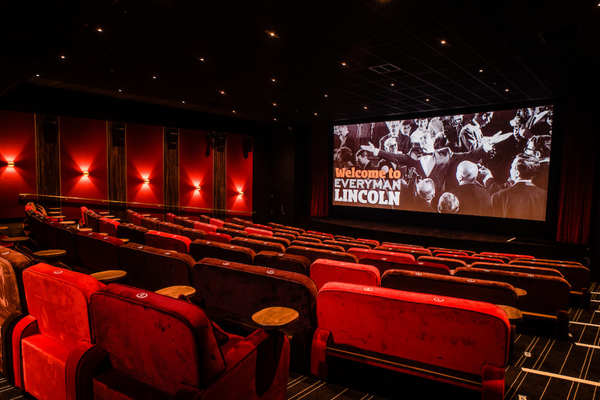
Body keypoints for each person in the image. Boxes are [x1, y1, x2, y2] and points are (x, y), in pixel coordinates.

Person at [360, 129, 493, 195]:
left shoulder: (446, 154)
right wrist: (377, 151)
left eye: (425, 139)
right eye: (420, 140)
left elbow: (468, 155)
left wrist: (485, 148)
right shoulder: (413, 154)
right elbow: (396, 157)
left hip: (438, 196)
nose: (422, 142)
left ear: (433, 140)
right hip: (417, 196)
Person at [491, 154, 547, 220]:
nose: (510, 169)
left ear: (517, 173)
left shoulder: (498, 196)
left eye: (511, 167)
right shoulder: (545, 195)